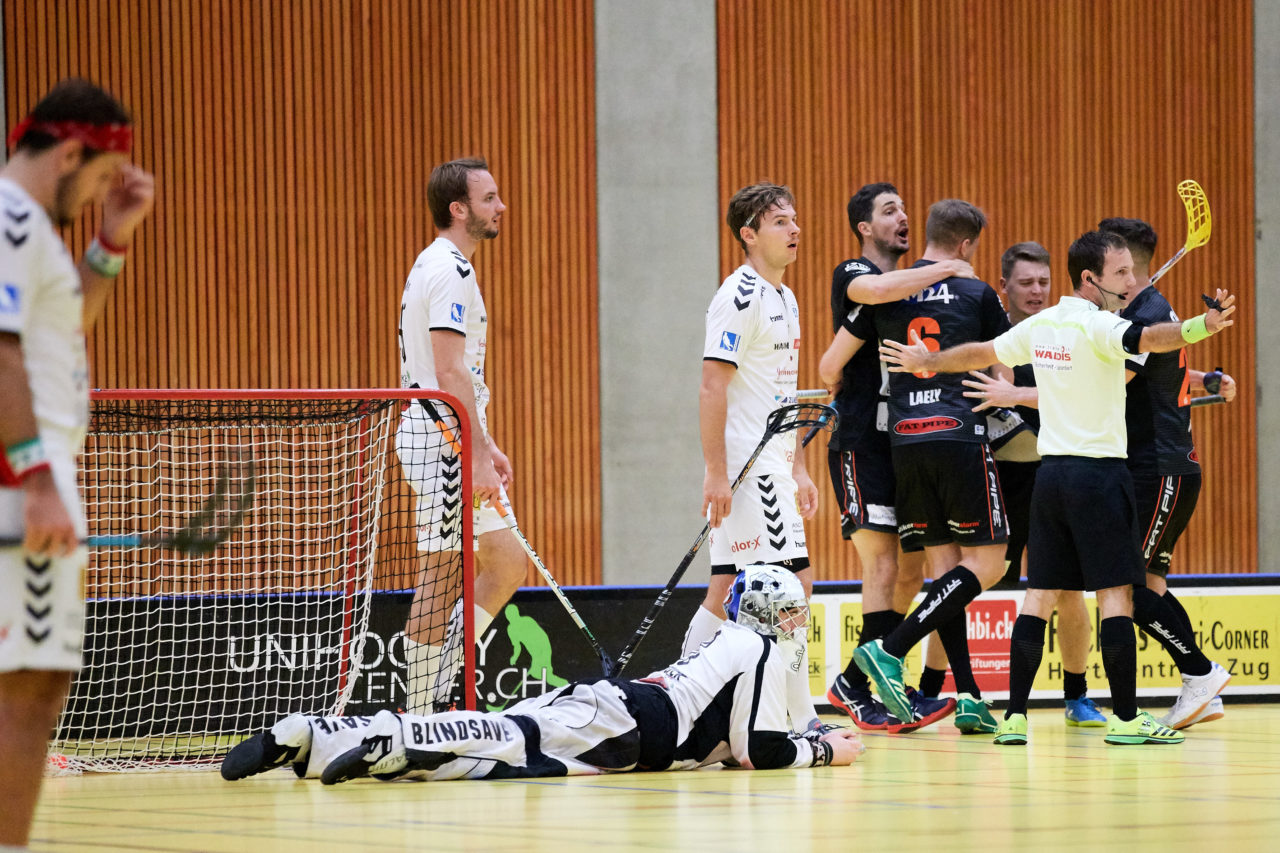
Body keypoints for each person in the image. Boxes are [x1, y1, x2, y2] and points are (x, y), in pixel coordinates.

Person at [879, 229, 1236, 746]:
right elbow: (1155, 339)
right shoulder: (1102, 326)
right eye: (1120, 273)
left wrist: (928, 362)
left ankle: (1015, 718)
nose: (1130, 282)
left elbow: (981, 351)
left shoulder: (1042, 324)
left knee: (1039, 596)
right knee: (1116, 595)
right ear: (1090, 279)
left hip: (1050, 480)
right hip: (1100, 477)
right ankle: (1127, 719)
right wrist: (1203, 325)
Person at [220, 565, 864, 784]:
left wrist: (811, 729)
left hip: (623, 716)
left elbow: (762, 729)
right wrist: (823, 752)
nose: (795, 621)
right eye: (789, 611)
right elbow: (755, 751)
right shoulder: (757, 647)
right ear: (766, 613)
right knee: (510, 740)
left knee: (505, 753)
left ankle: (319, 736)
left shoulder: (729, 637)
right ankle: (396, 737)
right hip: (631, 725)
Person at [0, 79, 155, 848]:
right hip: (23, 476)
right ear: (68, 154)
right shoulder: (11, 219)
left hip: (33, 470)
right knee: (28, 684)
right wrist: (35, 480)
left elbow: (68, 324)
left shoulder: (31, 230)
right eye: (97, 180)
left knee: (36, 679)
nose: (97, 193)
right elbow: (1, 352)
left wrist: (112, 237)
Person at [833, 199, 1012, 735]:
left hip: (903, 444)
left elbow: (828, 365)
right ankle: (887, 651)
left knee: (943, 571)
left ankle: (970, 695)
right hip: (957, 436)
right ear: (966, 245)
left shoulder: (891, 291)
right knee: (989, 565)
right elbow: (1001, 370)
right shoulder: (978, 293)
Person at [680, 182, 823, 732]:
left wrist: (799, 466)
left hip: (775, 465)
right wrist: (717, 473)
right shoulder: (738, 296)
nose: (795, 229)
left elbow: (783, 392)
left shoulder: (785, 297)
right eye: (781, 222)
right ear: (750, 234)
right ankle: (799, 717)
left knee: (726, 587)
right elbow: (711, 386)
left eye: (794, 219)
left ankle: (683, 699)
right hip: (747, 467)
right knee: (793, 585)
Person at [396, 158, 529, 713]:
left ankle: (438, 684)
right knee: (441, 573)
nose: (501, 207)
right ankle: (419, 714)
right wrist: (473, 455)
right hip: (442, 441)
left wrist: (487, 444)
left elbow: (454, 374)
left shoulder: (441, 264)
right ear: (459, 209)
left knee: (507, 563)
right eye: (489, 198)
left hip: (452, 435)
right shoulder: (450, 269)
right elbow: (450, 371)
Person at [963, 242, 1107, 727]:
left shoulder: (1065, 334)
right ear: (1004, 285)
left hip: (1054, 476)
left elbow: (1116, 373)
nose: (1036, 291)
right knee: (972, 578)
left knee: (1067, 592)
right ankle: (961, 693)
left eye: (1043, 282)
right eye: (1025, 282)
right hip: (998, 476)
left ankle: (1077, 696)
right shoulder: (994, 338)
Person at [1099, 216, 1235, 728]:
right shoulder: (1149, 313)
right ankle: (1203, 691)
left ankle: (1200, 672)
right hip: (1166, 469)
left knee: (1129, 589)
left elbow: (1109, 379)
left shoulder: (1142, 316)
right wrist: (1210, 378)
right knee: (1150, 585)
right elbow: (1161, 370)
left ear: (1122, 263)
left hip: (1159, 469)